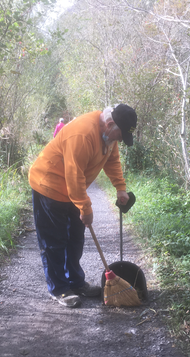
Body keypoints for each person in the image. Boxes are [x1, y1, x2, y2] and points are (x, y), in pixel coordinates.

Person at [28, 104, 137, 308]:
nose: (119, 140)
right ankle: (59, 289)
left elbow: (112, 160)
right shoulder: (82, 135)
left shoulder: (109, 135)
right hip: (49, 185)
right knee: (54, 241)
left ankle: (76, 283)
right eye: (120, 135)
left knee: (75, 239)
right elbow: (74, 176)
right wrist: (85, 208)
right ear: (110, 123)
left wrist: (120, 188)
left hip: (72, 189)